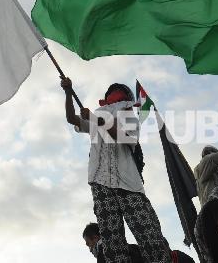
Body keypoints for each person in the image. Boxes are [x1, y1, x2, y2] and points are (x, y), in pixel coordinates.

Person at [62, 77, 170, 263]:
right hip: (101, 183)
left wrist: (96, 119)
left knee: (149, 235)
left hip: (128, 184)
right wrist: (68, 92)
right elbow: (72, 118)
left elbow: (127, 139)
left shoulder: (128, 117)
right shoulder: (95, 117)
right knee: (112, 243)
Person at [83, 222, 195, 263]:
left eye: (88, 243)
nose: (89, 249)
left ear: (95, 238)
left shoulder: (104, 253)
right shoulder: (132, 247)